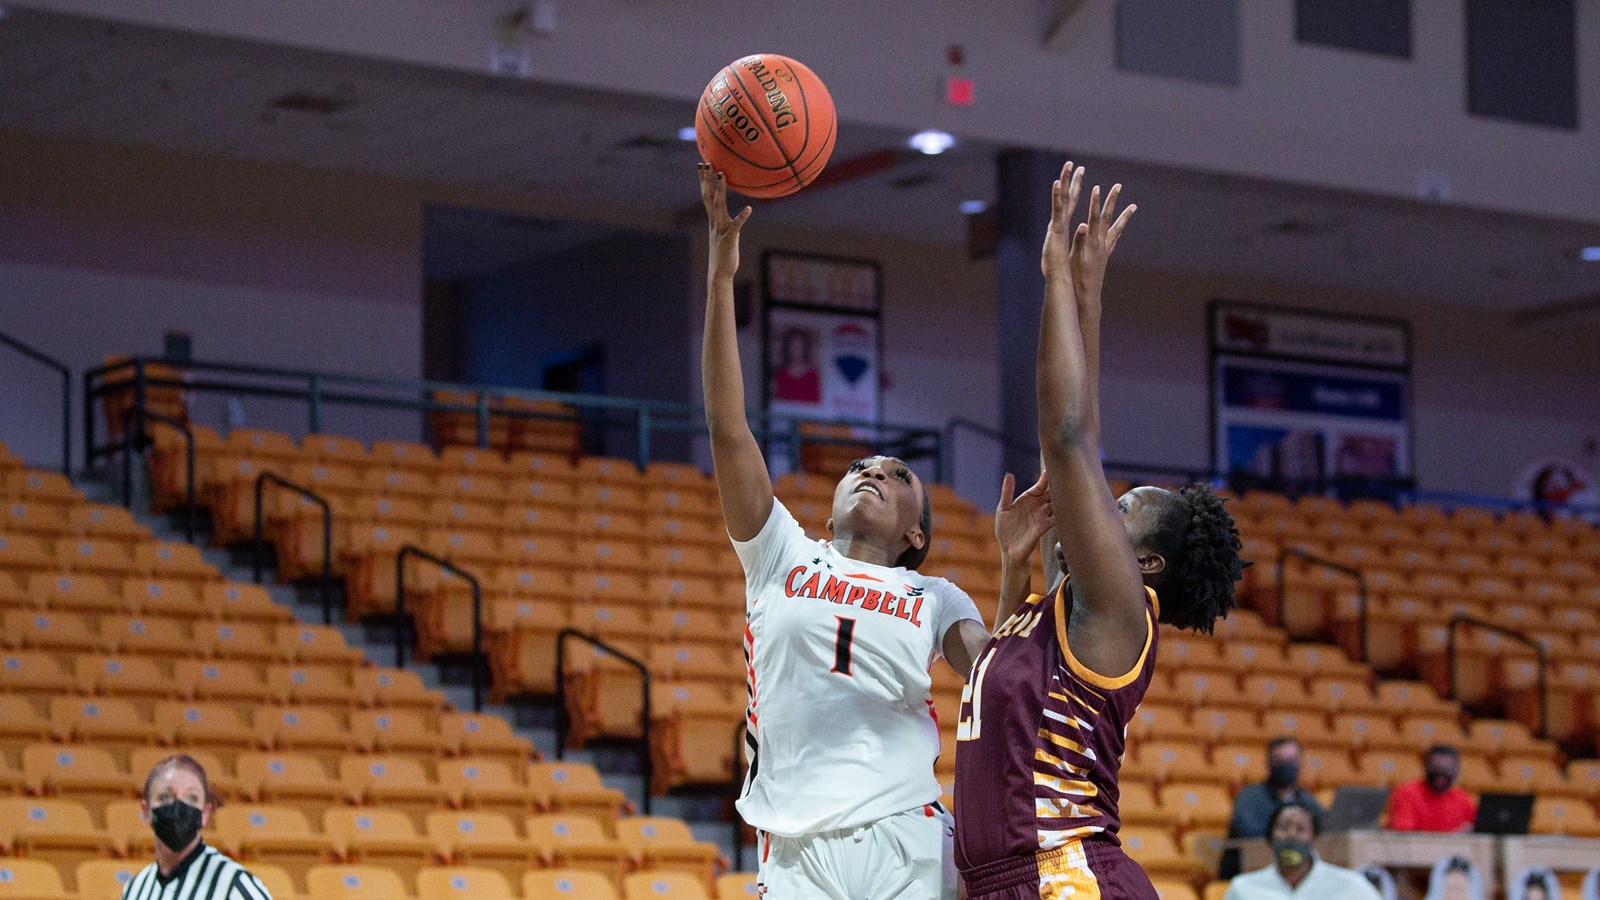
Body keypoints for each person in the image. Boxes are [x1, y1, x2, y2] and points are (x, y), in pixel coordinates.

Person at [952, 162, 1248, 899]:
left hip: (1067, 881)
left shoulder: (1119, 612)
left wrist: (1053, 276)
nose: (1102, 506)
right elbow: (998, 686)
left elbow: (1070, 436)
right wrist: (1086, 292)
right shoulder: (1064, 612)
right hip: (1005, 884)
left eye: (1123, 510)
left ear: (1144, 562)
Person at [698, 163, 992, 899]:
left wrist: (1019, 570)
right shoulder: (780, 555)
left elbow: (997, 679)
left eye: (896, 475)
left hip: (907, 832)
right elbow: (729, 428)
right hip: (796, 848)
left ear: (915, 531)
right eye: (860, 466)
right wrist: (720, 276)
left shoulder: (934, 594)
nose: (872, 473)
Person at [121, 754, 272, 899]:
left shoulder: (235, 885)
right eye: (165, 797)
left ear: (205, 813)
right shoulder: (136, 887)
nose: (178, 807)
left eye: (191, 798)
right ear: (146, 811)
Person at [1223, 800, 1381, 899]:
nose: (1291, 835)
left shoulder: (1352, 886)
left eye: (1301, 829)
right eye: (1283, 828)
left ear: (1313, 837)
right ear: (1270, 838)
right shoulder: (1243, 888)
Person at [1222, 738, 1325, 878]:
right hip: (1249, 874)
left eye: (1292, 761)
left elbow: (1325, 825)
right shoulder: (1249, 796)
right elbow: (1250, 834)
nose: (1286, 766)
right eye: (1280, 760)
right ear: (1269, 762)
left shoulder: (1303, 797)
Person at [1388, 745, 1477, 832]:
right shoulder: (1408, 792)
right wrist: (1452, 837)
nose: (1441, 775)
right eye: (1436, 768)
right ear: (1425, 767)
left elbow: (1476, 830)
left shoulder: (1463, 799)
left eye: (1447, 770)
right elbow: (1405, 835)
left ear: (1457, 771)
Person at [773, 327, 822, 404]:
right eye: (792, 345)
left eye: (799, 345)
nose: (795, 349)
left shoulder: (813, 374)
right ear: (787, 347)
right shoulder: (779, 373)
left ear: (804, 347)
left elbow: (817, 336)